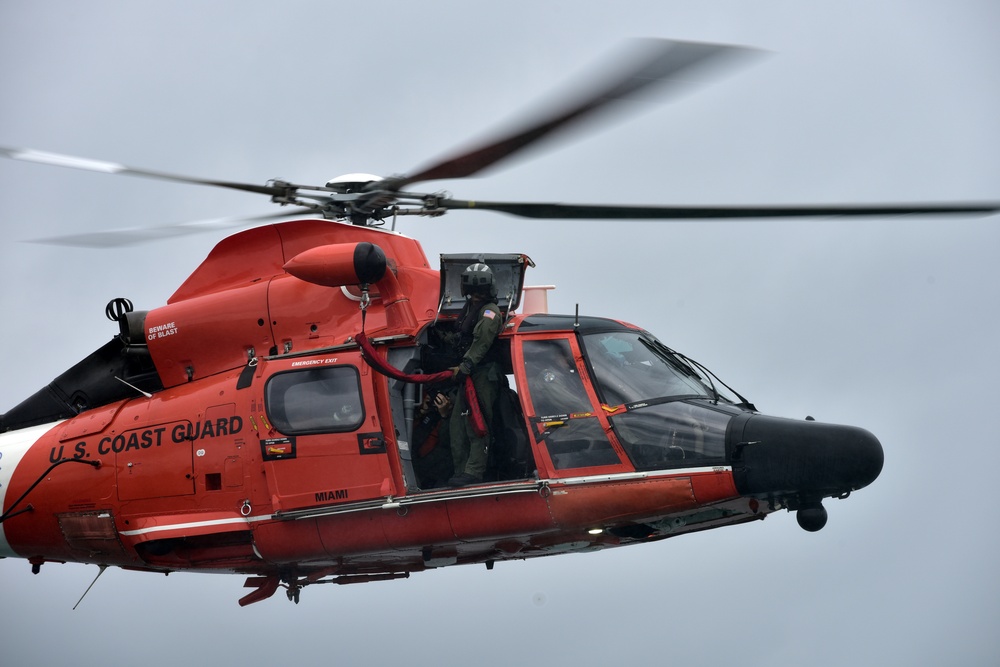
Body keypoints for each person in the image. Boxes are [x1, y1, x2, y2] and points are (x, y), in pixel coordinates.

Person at [447, 263, 504, 487]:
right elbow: (462, 336)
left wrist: (465, 366)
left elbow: (482, 341)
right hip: (469, 373)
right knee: (457, 426)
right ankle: (461, 471)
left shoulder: (489, 311)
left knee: (477, 422)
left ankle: (474, 471)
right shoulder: (471, 307)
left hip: (482, 374)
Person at [411, 391, 454, 488]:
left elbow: (446, 441)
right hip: (416, 465)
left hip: (436, 469)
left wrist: (444, 415)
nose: (429, 400)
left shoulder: (438, 418)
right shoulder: (411, 416)